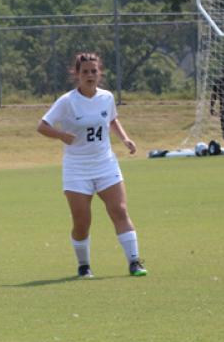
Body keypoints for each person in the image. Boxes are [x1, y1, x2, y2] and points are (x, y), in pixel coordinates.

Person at [37, 52, 147, 278]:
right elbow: (42, 126)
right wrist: (61, 135)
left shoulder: (106, 97)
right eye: (85, 71)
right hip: (77, 168)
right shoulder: (67, 101)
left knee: (120, 210)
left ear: (100, 73)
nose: (90, 75)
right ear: (76, 74)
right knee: (82, 220)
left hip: (105, 164)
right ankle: (84, 265)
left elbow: (112, 119)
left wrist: (124, 139)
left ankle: (134, 261)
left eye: (94, 71)